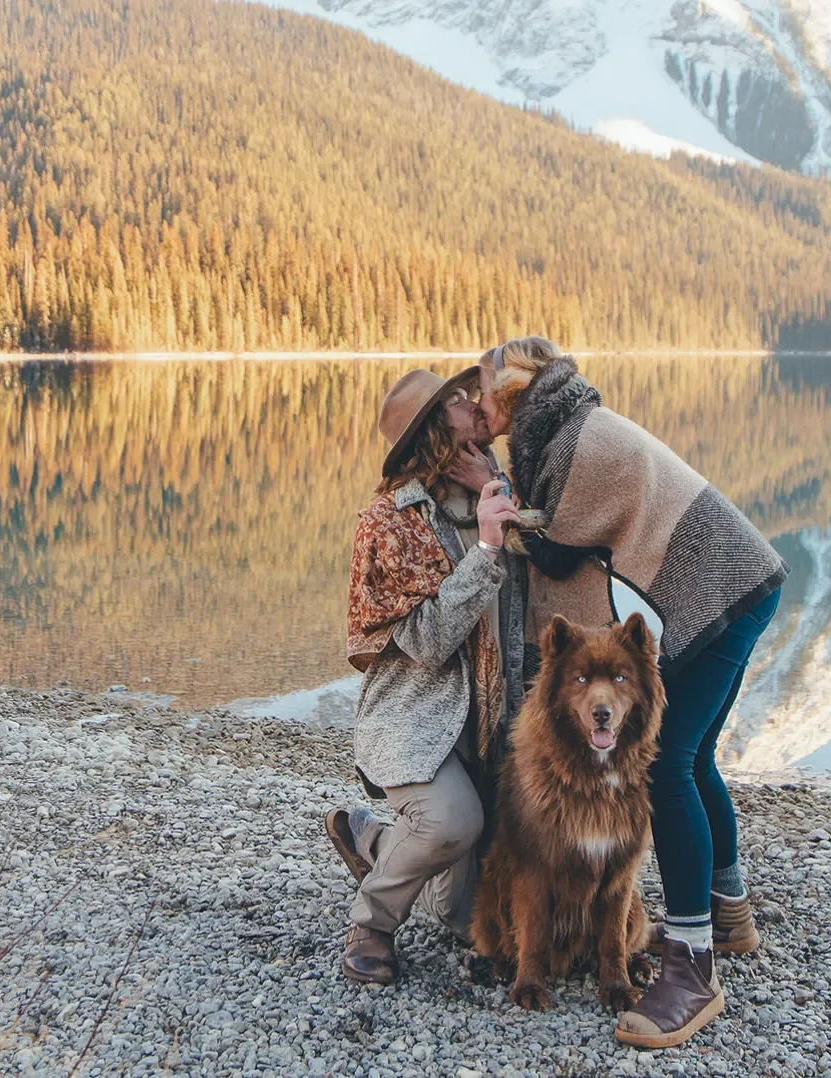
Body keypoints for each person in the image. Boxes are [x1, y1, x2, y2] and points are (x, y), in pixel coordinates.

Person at [475, 337, 786, 1050]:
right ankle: (729, 909)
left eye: (484, 390)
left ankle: (691, 965)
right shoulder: (570, 428)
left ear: (514, 393)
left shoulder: (581, 443)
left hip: (721, 594)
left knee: (667, 765)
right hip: (743, 584)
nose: (476, 404)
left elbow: (553, 547)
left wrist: (488, 488)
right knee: (698, 756)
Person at [323, 366, 529, 985]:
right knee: (452, 824)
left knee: (464, 916)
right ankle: (372, 924)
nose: (479, 408)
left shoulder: (493, 494)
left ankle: (381, 845)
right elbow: (429, 640)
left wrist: (498, 497)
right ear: (438, 431)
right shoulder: (388, 522)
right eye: (462, 403)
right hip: (417, 720)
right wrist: (489, 551)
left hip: (491, 728)